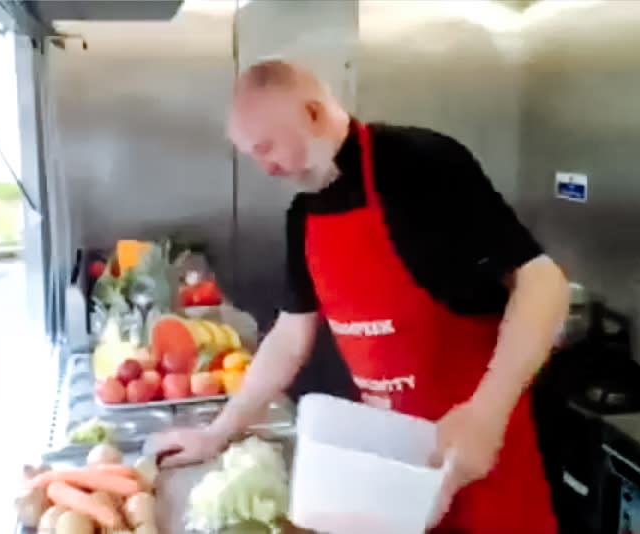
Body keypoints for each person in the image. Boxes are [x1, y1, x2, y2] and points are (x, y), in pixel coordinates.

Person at [151, 59, 568, 533]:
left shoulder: (420, 162)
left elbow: (542, 282)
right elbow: (289, 338)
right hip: (395, 471)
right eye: (252, 154)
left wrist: (485, 412)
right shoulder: (301, 217)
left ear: (311, 112)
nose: (264, 167)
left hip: (485, 458)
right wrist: (217, 433)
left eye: (267, 147)